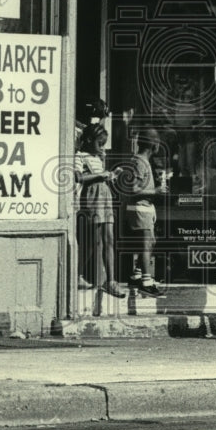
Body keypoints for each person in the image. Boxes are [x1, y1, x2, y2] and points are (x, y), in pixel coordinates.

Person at [75, 123, 125, 298]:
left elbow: (102, 176)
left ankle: (111, 281)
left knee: (109, 239)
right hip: (92, 197)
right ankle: (78, 275)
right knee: (93, 241)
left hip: (105, 196)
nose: (102, 148)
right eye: (100, 144)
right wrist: (100, 175)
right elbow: (78, 176)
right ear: (89, 140)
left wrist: (110, 175)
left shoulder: (98, 157)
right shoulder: (80, 156)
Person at [116, 127, 166, 298]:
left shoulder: (142, 162)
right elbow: (132, 190)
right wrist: (156, 192)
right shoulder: (139, 162)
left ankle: (137, 274)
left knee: (151, 241)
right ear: (154, 144)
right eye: (158, 141)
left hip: (145, 208)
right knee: (145, 244)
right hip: (139, 209)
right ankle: (146, 281)